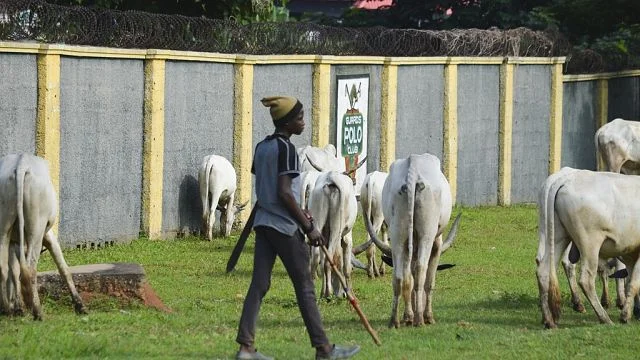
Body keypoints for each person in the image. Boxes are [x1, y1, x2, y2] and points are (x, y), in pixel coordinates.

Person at [235, 96, 361, 360]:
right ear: (287, 122)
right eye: (300, 118)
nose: (303, 122)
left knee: (259, 283)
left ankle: (246, 348)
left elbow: (267, 186)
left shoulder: (262, 147)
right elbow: (284, 192)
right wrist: (308, 226)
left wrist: (300, 212)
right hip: (284, 227)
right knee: (305, 286)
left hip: (264, 224)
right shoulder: (287, 150)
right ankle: (324, 349)